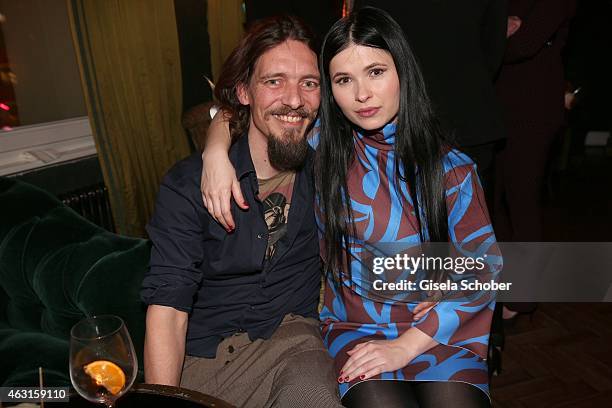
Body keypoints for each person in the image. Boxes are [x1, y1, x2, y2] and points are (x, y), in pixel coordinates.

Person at [201, 8, 501, 407]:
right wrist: (214, 152)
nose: (362, 94)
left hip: (438, 329)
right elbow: (243, 109)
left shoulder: (453, 170)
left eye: (376, 72)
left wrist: (410, 342)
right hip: (357, 326)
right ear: (330, 89)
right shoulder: (322, 145)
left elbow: (484, 269)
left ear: (402, 74)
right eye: (344, 79)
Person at [140, 15, 344, 408]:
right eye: (274, 81)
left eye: (309, 83)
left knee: (315, 398)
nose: (295, 99)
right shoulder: (188, 185)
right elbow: (168, 311)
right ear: (245, 92)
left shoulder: (332, 173)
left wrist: (440, 293)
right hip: (202, 358)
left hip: (291, 342)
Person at [494, 0, 576, 319]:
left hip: (534, 111)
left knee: (522, 202)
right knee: (493, 199)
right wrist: (498, 28)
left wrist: (490, 34)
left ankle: (522, 298)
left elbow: (524, 44)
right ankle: (501, 285)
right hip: (499, 108)